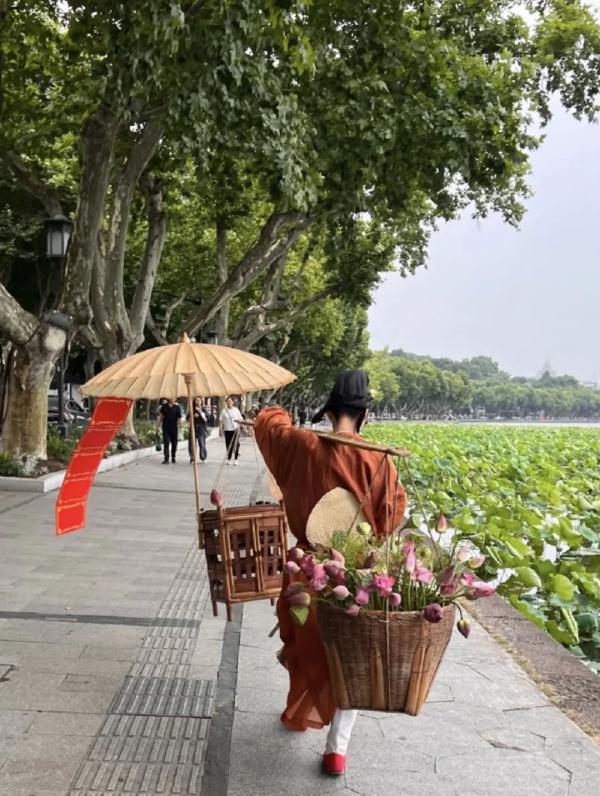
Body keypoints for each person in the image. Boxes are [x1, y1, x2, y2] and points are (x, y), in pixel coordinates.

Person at [254, 370, 406, 777]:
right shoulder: (379, 459)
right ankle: (336, 749)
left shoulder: (303, 444)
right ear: (365, 416)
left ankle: (307, 704)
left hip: (303, 574)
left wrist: (280, 405)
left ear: (329, 411)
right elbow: (391, 518)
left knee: (305, 641)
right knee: (349, 657)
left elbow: (269, 423)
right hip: (353, 578)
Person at [156, 398, 183, 464]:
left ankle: (173, 456)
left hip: (174, 428)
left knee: (174, 443)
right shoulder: (164, 407)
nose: (172, 399)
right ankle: (166, 459)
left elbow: (179, 418)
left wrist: (180, 426)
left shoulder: (177, 407)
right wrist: (158, 426)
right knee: (166, 442)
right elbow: (161, 416)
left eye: (173, 398)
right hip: (165, 427)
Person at [219, 397, 243, 465]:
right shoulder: (224, 411)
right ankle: (229, 458)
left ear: (232, 402)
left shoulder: (236, 410)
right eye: (228, 401)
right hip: (227, 430)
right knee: (228, 445)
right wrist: (220, 430)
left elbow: (240, 419)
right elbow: (221, 421)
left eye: (230, 401)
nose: (229, 402)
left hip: (235, 430)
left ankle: (236, 459)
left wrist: (240, 425)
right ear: (226, 402)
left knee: (236, 444)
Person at [188, 397, 208, 463]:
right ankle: (192, 458)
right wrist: (192, 416)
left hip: (201, 428)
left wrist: (201, 414)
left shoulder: (204, 409)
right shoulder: (192, 409)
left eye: (199, 400)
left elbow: (206, 420)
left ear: (201, 402)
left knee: (202, 444)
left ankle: (203, 457)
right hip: (193, 428)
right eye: (196, 400)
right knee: (192, 444)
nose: (197, 401)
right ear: (194, 402)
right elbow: (188, 418)